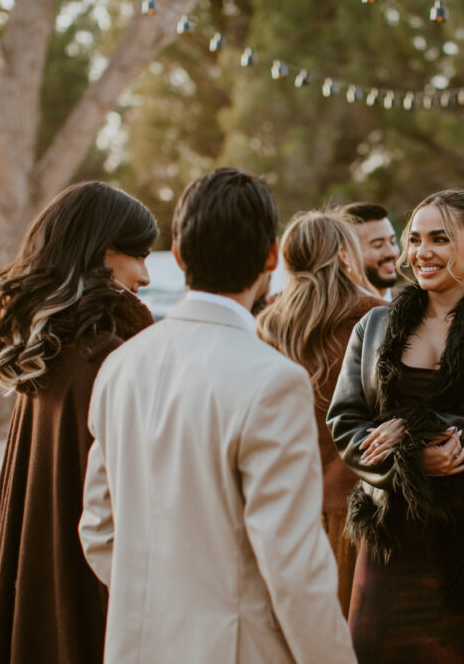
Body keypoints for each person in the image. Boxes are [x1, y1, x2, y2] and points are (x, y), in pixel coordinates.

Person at [79, 169, 355, 663]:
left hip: (137, 645)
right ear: (271, 256)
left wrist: (157, 603)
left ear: (179, 255)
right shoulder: (274, 380)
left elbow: (98, 530)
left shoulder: (120, 365)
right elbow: (292, 562)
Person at [327, 189, 464, 662]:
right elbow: (345, 421)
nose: (421, 253)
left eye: (440, 239)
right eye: (414, 240)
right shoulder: (373, 326)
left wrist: (416, 431)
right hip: (389, 536)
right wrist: (410, 465)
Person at [0, 182, 158, 664]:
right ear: (102, 253)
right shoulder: (104, 356)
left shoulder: (49, 350)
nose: (144, 275)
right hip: (90, 581)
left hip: (45, 575)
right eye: (138, 256)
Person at [256, 210, 386, 617]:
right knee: (348, 633)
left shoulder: (268, 325)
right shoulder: (378, 318)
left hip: (284, 505)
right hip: (354, 505)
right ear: (346, 257)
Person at [338, 201, 400, 300]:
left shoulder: (416, 304)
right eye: (378, 245)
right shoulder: (332, 311)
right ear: (345, 254)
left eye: (393, 242)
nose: (391, 252)